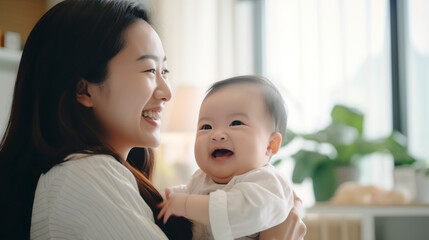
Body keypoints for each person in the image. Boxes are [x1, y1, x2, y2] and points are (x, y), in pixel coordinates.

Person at [0, 0, 192, 239]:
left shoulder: (92, 175)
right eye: (149, 71)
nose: (167, 92)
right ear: (84, 90)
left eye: (164, 71)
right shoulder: (84, 174)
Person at [158, 75, 307, 240]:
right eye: (206, 126)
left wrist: (185, 204)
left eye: (236, 123)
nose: (217, 135)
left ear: (270, 145)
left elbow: (244, 211)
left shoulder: (267, 182)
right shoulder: (201, 178)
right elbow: (188, 192)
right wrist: (166, 197)